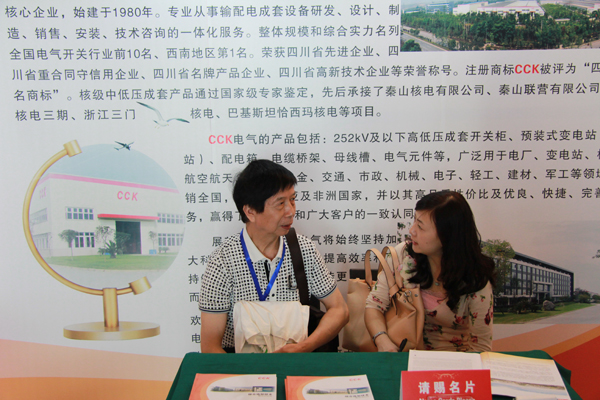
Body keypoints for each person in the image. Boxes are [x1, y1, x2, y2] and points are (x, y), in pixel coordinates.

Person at [199, 159, 349, 353]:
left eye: (292, 200)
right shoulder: (223, 261)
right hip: (240, 365)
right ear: (250, 211)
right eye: (280, 204)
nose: (291, 211)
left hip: (297, 362)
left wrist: (304, 347)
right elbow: (210, 346)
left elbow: (340, 309)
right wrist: (245, 371)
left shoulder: (303, 249)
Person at [365, 191, 495, 352]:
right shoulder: (403, 255)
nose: (412, 230)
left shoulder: (476, 279)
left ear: (447, 236)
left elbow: (480, 348)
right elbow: (374, 305)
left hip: (455, 360)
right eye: (414, 221)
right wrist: (382, 341)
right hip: (403, 353)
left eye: (420, 226)